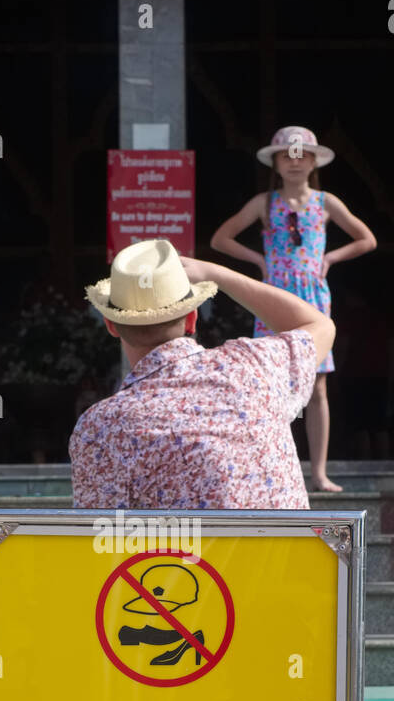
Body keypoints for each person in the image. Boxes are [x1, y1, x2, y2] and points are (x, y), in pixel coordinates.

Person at [69, 238, 334, 510]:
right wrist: (218, 275)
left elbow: (99, 539)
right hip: (287, 553)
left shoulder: (100, 429)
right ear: (192, 318)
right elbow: (318, 324)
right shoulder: (258, 366)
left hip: (184, 554)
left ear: (111, 326)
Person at [211, 125, 376, 492]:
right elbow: (220, 239)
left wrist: (330, 257)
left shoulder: (326, 202)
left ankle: (318, 473)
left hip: (314, 299)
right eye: (288, 155)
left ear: (315, 160)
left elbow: (367, 238)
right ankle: (274, 470)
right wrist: (260, 259)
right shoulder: (264, 203)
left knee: (317, 387)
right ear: (276, 163)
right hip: (274, 297)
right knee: (272, 384)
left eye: (302, 155)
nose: (295, 161)